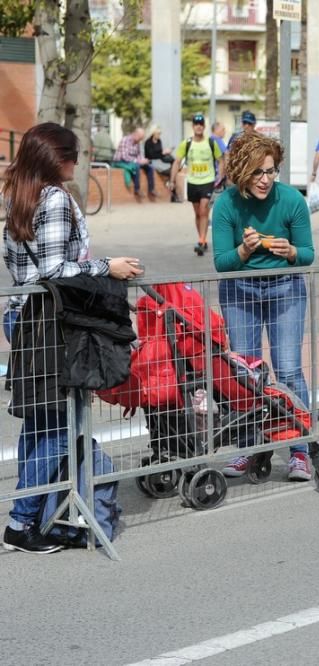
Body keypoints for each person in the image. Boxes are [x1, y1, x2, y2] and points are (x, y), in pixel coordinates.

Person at [1, 122, 143, 554]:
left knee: (41, 423)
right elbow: (53, 270)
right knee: (62, 427)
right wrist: (108, 266)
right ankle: (21, 521)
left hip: (23, 319)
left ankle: (34, 518)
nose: (78, 163)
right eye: (75, 155)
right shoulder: (56, 199)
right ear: (56, 158)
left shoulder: (17, 197)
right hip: (52, 321)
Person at [211, 131, 316, 482]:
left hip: (285, 288)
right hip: (240, 291)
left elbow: (309, 253)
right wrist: (243, 251)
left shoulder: (291, 200)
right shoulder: (226, 204)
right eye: (257, 172)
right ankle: (247, 447)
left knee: (288, 370)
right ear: (241, 171)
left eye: (271, 171)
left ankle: (300, 449)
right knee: (245, 373)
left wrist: (292, 253)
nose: (266, 180)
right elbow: (222, 262)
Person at [168, 113, 224, 256]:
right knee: (197, 213)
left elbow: (221, 161)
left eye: (201, 124)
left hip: (208, 181)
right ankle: (202, 239)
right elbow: (176, 162)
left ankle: (201, 240)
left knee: (204, 210)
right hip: (192, 182)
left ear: (204, 127)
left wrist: (220, 177)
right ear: (193, 126)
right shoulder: (186, 144)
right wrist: (172, 180)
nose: (198, 126)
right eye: (196, 124)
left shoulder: (211, 143)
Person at [112, 126, 151, 202]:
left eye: (141, 138)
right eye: (140, 138)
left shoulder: (137, 142)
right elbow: (124, 156)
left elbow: (139, 155)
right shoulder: (125, 140)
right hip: (120, 161)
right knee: (136, 166)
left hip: (131, 160)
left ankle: (151, 189)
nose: (140, 140)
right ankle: (137, 189)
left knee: (150, 168)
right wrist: (138, 161)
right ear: (136, 134)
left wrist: (144, 160)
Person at [143, 125, 175, 202]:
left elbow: (160, 152)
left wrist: (166, 152)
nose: (159, 135)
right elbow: (150, 155)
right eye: (158, 133)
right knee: (167, 167)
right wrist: (163, 152)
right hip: (153, 161)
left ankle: (171, 181)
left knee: (173, 160)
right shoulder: (148, 142)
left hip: (160, 159)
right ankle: (168, 179)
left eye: (160, 133)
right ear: (153, 133)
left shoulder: (159, 141)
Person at [210, 121, 229, 190]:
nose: (224, 131)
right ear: (216, 130)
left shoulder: (209, 140)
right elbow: (226, 155)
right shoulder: (217, 140)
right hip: (218, 176)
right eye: (223, 129)